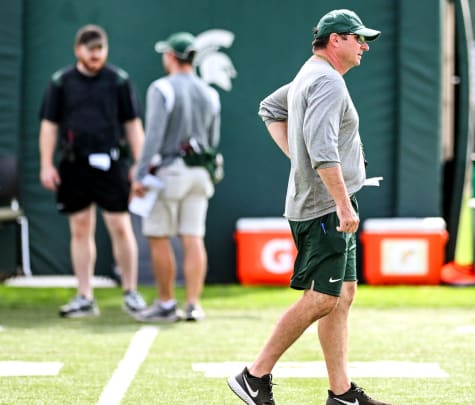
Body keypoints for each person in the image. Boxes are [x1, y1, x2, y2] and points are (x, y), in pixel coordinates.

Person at [227, 9, 391, 405]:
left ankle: (341, 394)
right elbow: (321, 151)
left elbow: (270, 107)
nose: (365, 46)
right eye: (358, 39)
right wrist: (341, 204)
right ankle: (254, 375)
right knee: (322, 297)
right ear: (336, 40)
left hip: (325, 202)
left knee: (343, 293)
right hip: (324, 208)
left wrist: (297, 159)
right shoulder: (326, 81)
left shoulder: (310, 74)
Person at [38, 24, 146, 318]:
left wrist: (140, 163)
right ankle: (84, 295)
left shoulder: (119, 80)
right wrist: (46, 163)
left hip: (111, 163)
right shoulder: (61, 82)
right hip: (74, 164)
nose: (96, 55)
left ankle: (130, 291)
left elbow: (133, 124)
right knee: (80, 228)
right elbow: (49, 125)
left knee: (121, 226)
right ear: (78, 51)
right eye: (90, 49)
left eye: (100, 49)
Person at [131, 32, 221, 322]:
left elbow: (153, 137)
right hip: (200, 173)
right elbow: (213, 139)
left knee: (158, 236)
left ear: (171, 56)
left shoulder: (162, 88)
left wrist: (141, 173)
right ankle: (193, 304)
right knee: (193, 237)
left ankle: (166, 303)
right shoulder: (210, 92)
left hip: (170, 172)